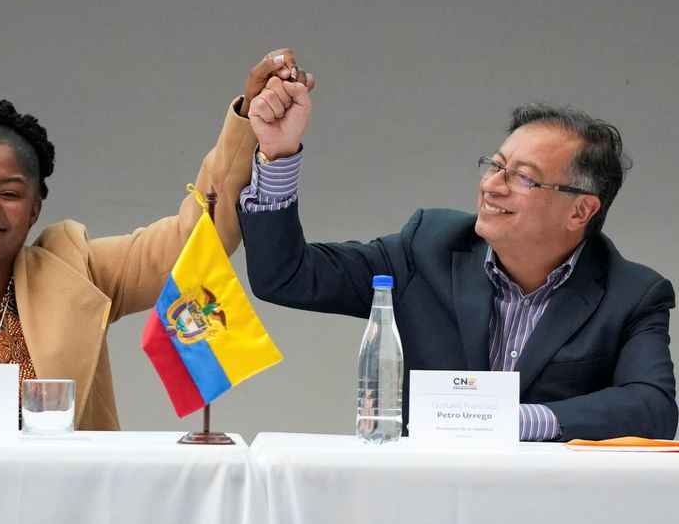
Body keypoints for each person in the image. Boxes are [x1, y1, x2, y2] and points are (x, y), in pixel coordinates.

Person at [0, 49, 312, 429]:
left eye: (10, 192)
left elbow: (196, 235)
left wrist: (248, 121)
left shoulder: (79, 271)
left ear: (35, 208)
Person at [237, 74, 677, 441]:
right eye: (495, 165)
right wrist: (277, 154)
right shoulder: (427, 249)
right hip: (424, 504)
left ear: (580, 210)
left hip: (549, 511)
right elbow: (287, 275)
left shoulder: (632, 294)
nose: (492, 186)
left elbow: (654, 407)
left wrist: (515, 420)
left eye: (523, 178)